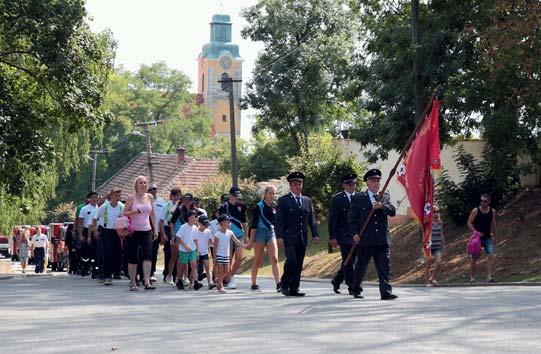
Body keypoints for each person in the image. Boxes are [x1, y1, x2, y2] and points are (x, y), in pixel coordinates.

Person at [349, 168, 397, 300]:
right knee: (361, 266)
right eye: (373, 181)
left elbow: (392, 211)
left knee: (384, 266)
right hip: (366, 239)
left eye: (378, 181)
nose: (376, 183)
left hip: (382, 239)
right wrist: (354, 234)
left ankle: (385, 292)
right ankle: (356, 288)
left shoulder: (384, 196)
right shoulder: (358, 198)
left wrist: (382, 206)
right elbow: (352, 219)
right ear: (367, 183)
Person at [276, 172, 320, 297]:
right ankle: (285, 285)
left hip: (302, 237)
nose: (298, 186)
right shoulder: (284, 201)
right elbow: (279, 220)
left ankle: (295, 288)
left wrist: (315, 234)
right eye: (295, 184)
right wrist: (279, 237)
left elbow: (311, 219)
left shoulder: (307, 201)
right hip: (289, 237)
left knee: (299, 263)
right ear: (290, 185)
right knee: (291, 260)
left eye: (300, 183)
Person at [124, 176, 159, 291]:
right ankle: (133, 283)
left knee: (148, 256)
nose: (143, 185)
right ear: (136, 185)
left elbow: (152, 214)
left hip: (146, 230)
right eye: (141, 183)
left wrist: (155, 229)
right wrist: (134, 211)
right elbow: (124, 213)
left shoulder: (149, 197)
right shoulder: (131, 198)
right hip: (133, 231)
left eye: (145, 183)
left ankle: (147, 281)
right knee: (133, 257)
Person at [329, 173, 358, 295]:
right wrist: (333, 237)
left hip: (357, 235)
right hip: (344, 235)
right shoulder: (337, 199)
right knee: (347, 259)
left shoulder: (360, 197)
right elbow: (333, 220)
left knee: (351, 260)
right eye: (349, 184)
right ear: (343, 185)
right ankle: (352, 286)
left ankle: (337, 280)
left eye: (354, 183)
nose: (352, 186)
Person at [248, 185, 281, 292]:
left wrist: (280, 236)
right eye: (270, 193)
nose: (272, 196)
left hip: (271, 233)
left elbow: (276, 224)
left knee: (275, 259)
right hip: (259, 234)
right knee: (258, 260)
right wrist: (251, 240)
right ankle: (253, 284)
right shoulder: (259, 206)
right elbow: (253, 225)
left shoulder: (275, 207)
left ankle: (278, 284)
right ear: (265, 194)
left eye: (273, 194)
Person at [219, 186, 248, 289]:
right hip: (228, 235)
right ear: (230, 195)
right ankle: (228, 279)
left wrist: (246, 237)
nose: (236, 198)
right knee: (229, 258)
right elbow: (221, 222)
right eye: (234, 196)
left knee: (239, 259)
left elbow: (244, 220)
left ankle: (230, 275)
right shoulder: (224, 207)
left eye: (237, 196)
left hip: (239, 235)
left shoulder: (242, 206)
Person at [95, 188, 124, 285]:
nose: (118, 198)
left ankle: (115, 271)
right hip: (106, 231)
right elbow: (95, 218)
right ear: (111, 196)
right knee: (108, 254)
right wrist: (95, 230)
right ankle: (107, 275)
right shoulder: (104, 207)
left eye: (119, 196)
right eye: (116, 196)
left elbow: (125, 218)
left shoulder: (121, 206)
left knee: (118, 254)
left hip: (117, 232)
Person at [467, 193, 497, 282]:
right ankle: (472, 277)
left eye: (484, 201)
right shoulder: (476, 210)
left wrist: (494, 235)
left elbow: (494, 224)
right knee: (474, 257)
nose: (482, 203)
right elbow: (469, 222)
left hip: (488, 237)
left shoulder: (492, 211)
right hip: (477, 239)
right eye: (481, 201)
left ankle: (489, 276)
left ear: (488, 202)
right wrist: (475, 231)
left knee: (490, 255)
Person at [168, 193, 195, 285]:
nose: (187, 202)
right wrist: (172, 236)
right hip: (178, 236)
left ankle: (184, 277)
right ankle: (170, 276)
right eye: (185, 200)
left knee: (185, 258)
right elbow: (171, 223)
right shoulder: (179, 210)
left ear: (192, 201)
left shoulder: (194, 211)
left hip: (189, 238)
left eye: (189, 200)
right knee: (175, 257)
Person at [214, 214, 245, 293]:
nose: (229, 223)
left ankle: (218, 280)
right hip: (219, 255)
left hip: (226, 255)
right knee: (221, 271)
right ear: (222, 222)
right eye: (227, 221)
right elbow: (215, 248)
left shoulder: (230, 232)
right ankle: (220, 287)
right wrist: (215, 258)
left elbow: (237, 241)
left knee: (227, 271)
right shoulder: (217, 234)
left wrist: (245, 245)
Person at [174, 210, 203, 290]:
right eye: (193, 217)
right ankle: (179, 280)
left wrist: (197, 251)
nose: (194, 219)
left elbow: (196, 240)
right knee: (183, 266)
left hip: (192, 249)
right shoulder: (184, 227)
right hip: (184, 250)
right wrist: (185, 246)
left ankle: (196, 282)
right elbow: (178, 237)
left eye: (195, 217)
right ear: (189, 218)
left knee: (194, 265)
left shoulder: (195, 228)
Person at [161, 188, 181, 283]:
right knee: (169, 253)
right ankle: (167, 274)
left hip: (178, 229)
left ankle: (177, 275)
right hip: (168, 228)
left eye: (178, 195)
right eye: (176, 195)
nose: (177, 197)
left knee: (179, 255)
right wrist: (163, 233)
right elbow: (161, 220)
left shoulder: (181, 206)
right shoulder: (167, 205)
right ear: (172, 196)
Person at [78, 192, 98, 277]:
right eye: (93, 197)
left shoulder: (99, 208)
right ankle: (84, 268)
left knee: (95, 251)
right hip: (86, 231)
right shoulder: (84, 209)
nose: (94, 199)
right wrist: (80, 235)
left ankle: (94, 270)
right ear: (89, 199)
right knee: (85, 251)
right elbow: (80, 222)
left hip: (95, 231)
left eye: (96, 197)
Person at [148, 184, 165, 283]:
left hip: (157, 231)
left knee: (154, 252)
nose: (153, 190)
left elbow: (162, 218)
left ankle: (151, 273)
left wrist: (162, 234)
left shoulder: (161, 201)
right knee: (146, 252)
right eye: (151, 189)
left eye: (155, 189)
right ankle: (143, 273)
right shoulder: (145, 200)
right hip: (146, 230)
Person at [424, 206, 445, 286]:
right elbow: (424, 232)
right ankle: (427, 282)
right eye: (434, 211)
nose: (436, 213)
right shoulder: (428, 222)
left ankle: (433, 278)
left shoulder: (440, 221)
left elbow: (441, 233)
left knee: (439, 262)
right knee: (428, 263)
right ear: (431, 212)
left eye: (437, 211)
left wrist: (443, 244)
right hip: (429, 245)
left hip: (437, 245)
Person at [195, 215, 215, 289]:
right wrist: (196, 251)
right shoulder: (196, 231)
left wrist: (216, 244)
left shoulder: (208, 231)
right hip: (197, 253)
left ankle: (210, 283)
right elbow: (194, 242)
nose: (206, 227)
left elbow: (210, 241)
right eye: (204, 225)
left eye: (206, 225)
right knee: (195, 269)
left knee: (207, 267)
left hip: (205, 253)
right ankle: (192, 282)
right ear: (199, 224)